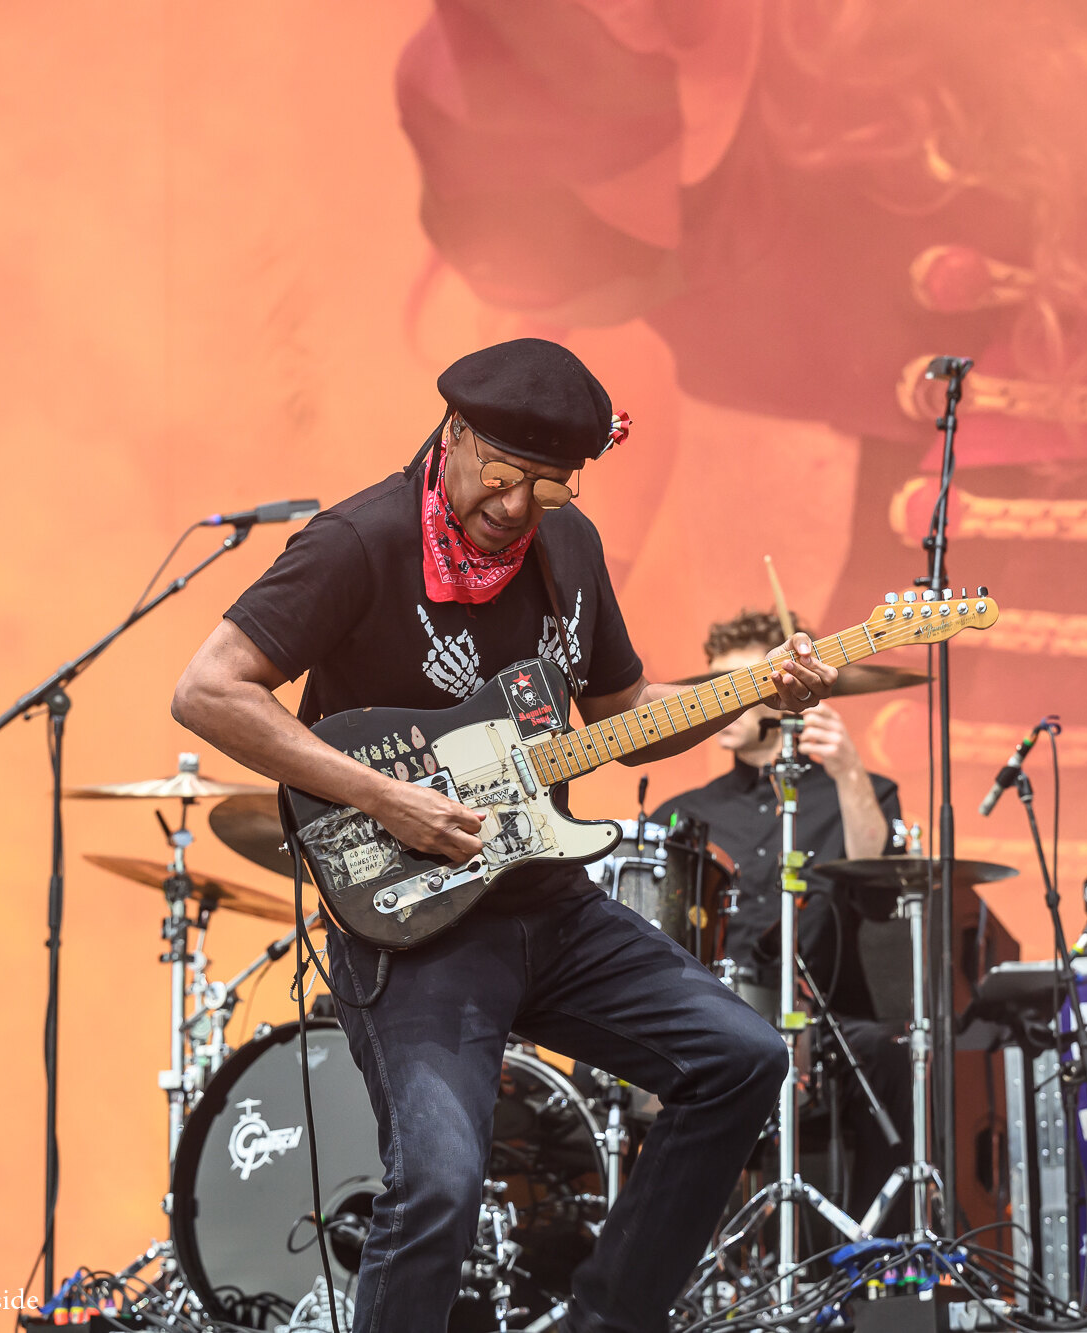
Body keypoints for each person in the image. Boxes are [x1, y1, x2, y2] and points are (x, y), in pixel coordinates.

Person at [171, 338, 837, 1333]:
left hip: (547, 904)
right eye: (502, 475)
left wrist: (746, 690)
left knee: (742, 1057)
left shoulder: (571, 548)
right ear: (454, 433)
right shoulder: (359, 542)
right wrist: (388, 799)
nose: (519, 506)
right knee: (437, 1186)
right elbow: (208, 689)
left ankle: (603, 1323)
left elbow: (621, 710)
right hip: (413, 923)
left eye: (549, 486)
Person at [651, 607, 912, 1223]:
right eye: (711, 683)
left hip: (816, 1022)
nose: (717, 697)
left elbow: (878, 886)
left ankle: (874, 1257)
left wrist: (848, 771)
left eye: (737, 684)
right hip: (707, 1016)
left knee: (886, 1054)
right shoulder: (680, 813)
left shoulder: (856, 790)